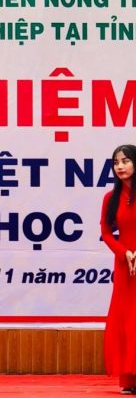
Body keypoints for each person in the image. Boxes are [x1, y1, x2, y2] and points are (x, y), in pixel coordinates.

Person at [100, 144, 136, 395]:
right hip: (125, 266)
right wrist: (124, 252)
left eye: (125, 161)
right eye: (116, 163)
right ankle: (129, 377)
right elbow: (105, 232)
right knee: (126, 322)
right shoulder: (110, 198)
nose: (120, 166)